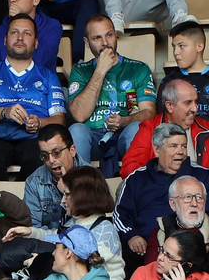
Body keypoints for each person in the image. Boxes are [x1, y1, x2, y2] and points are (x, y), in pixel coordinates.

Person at [0, 15, 67, 181]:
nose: (20, 38)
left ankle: (24, 198)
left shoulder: (48, 76)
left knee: (42, 157)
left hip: (35, 137)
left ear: (36, 43)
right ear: (5, 40)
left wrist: (39, 122)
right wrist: (5, 112)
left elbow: (60, 120)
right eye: (14, 32)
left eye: (27, 33)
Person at [116, 126, 209, 265]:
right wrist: (131, 236)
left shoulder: (203, 175)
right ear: (157, 150)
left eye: (184, 146)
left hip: (189, 250)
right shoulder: (136, 178)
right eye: (173, 146)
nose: (181, 151)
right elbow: (121, 215)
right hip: (144, 252)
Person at [66, 15, 157, 169]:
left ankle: (136, 182)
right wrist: (100, 70)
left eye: (109, 35)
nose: (105, 43)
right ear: (87, 43)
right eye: (97, 38)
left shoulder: (138, 68)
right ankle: (82, 183)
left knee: (137, 128)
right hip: (92, 137)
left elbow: (149, 112)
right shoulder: (80, 71)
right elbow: (79, 115)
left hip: (124, 133)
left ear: (115, 35)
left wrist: (125, 120)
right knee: (76, 130)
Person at [120, 78, 209, 177]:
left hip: (200, 188)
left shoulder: (207, 128)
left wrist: (204, 183)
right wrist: (156, 185)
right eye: (188, 103)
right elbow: (130, 167)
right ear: (170, 106)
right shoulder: (150, 129)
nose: (195, 108)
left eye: (195, 102)